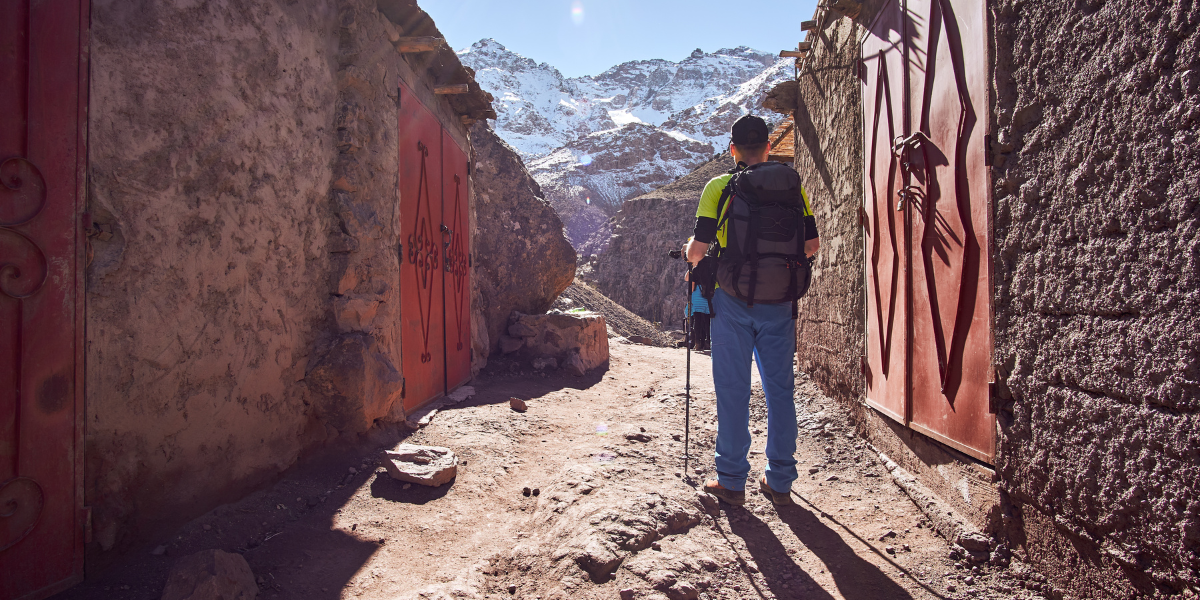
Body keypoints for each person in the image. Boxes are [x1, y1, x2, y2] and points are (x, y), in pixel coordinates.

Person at [683, 115, 819, 506]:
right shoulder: (793, 188)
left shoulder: (720, 186)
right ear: (769, 148)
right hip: (780, 303)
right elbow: (812, 245)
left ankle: (731, 480)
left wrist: (698, 256)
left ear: (733, 149)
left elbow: (697, 251)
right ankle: (779, 480)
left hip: (733, 301)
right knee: (780, 389)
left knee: (733, 388)